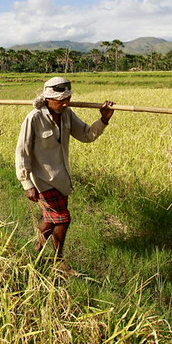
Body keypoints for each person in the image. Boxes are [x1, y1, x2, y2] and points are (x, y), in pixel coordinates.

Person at [15, 76, 114, 271]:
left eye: (67, 98)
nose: (65, 103)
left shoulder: (67, 114)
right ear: (47, 99)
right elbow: (22, 152)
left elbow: (86, 135)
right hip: (42, 179)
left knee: (51, 221)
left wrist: (103, 119)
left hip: (61, 178)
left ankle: (33, 252)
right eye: (60, 100)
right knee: (63, 218)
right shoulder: (34, 118)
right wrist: (26, 184)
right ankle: (58, 260)